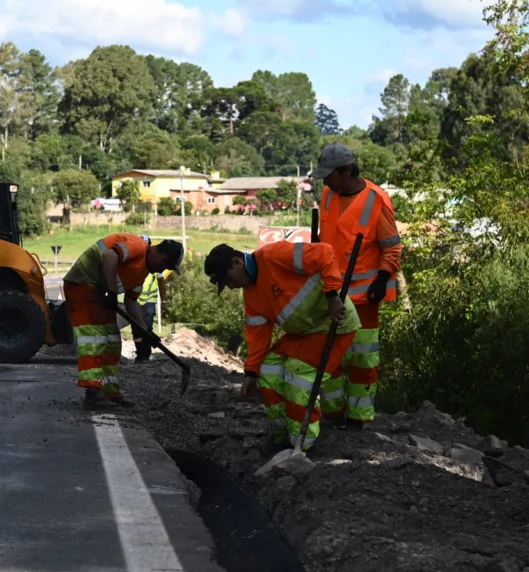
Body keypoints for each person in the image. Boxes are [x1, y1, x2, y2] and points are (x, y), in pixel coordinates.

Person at [204, 240, 361, 451]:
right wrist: (251, 373)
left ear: (237, 262)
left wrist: (332, 296)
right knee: (268, 369)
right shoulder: (251, 294)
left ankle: (303, 445)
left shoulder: (274, 255)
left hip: (333, 323)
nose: (231, 286)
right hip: (303, 331)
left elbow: (325, 252)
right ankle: (282, 436)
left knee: (299, 376)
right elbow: (258, 335)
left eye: (229, 279)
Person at [310, 142, 404, 430]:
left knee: (363, 360)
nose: (324, 181)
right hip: (331, 294)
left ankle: (359, 421)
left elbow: (393, 249)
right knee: (330, 359)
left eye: (329, 174)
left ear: (347, 171)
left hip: (364, 300)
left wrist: (381, 278)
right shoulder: (329, 194)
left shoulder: (377, 201)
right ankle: (333, 413)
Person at [63, 234, 184, 409]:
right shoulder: (138, 246)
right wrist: (112, 293)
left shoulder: (143, 271)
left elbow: (131, 301)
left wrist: (145, 331)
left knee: (112, 340)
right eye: (165, 266)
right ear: (163, 258)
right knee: (95, 338)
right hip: (82, 283)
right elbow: (109, 256)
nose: (162, 271)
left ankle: (109, 391)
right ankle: (93, 393)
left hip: (98, 291)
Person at [132, 269, 169, 363]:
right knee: (136, 330)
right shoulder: (136, 264)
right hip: (134, 301)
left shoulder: (156, 266)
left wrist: (163, 302)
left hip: (149, 302)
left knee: (147, 328)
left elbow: (161, 283)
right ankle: (140, 354)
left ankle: (145, 356)